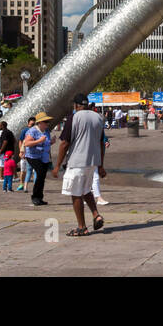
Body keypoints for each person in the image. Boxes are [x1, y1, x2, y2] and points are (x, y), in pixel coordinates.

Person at [56, 95, 107, 236]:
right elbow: (102, 143)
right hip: (92, 162)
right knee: (85, 190)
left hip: (77, 161)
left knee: (76, 193)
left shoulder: (74, 117)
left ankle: (82, 227)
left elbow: (64, 143)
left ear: (76, 105)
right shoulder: (98, 117)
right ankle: (96, 215)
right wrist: (101, 165)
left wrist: (57, 165)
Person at [22, 111, 55, 206]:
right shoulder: (32, 131)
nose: (47, 124)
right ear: (40, 123)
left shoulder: (47, 131)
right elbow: (27, 143)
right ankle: (35, 197)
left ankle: (39, 197)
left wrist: (51, 142)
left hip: (44, 157)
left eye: (48, 122)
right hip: (33, 156)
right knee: (40, 173)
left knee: (42, 177)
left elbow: (46, 143)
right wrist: (39, 140)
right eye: (45, 122)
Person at [17, 117, 37, 193]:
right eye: (31, 124)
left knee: (34, 171)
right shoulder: (25, 130)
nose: (33, 126)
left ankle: (34, 187)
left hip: (34, 154)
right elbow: (20, 141)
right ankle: (21, 184)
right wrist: (21, 151)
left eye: (34, 124)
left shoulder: (37, 131)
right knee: (23, 170)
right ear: (28, 124)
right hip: (25, 153)